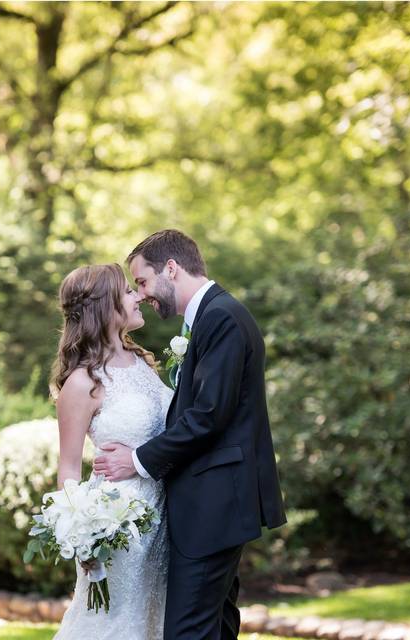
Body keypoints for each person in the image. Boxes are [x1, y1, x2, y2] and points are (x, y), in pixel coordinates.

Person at [93, 229, 287, 640]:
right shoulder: (210, 316)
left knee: (188, 632)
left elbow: (208, 416)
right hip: (213, 501)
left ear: (171, 268)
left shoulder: (220, 317)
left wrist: (137, 460)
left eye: (143, 281)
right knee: (214, 627)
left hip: (213, 505)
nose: (142, 294)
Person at [50, 263, 172, 639]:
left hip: (163, 520)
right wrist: (81, 536)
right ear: (105, 306)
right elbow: (69, 468)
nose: (138, 296)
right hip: (120, 531)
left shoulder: (143, 363)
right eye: (128, 291)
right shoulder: (83, 382)